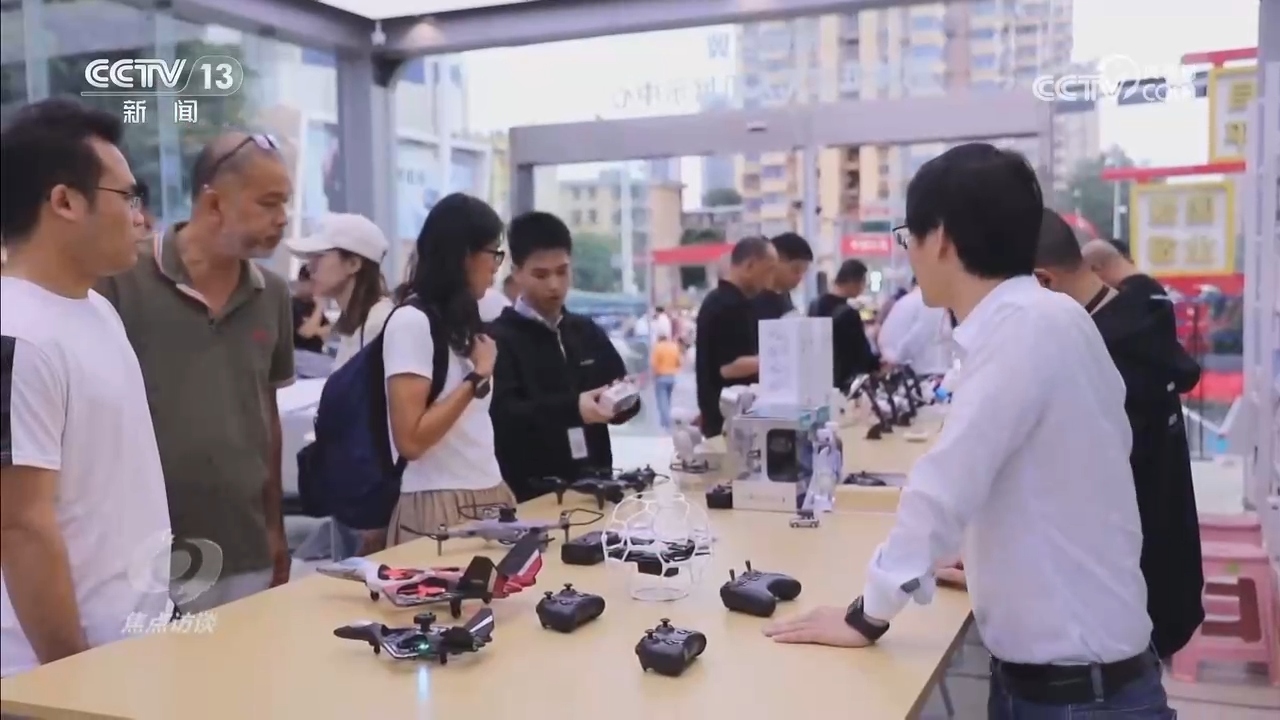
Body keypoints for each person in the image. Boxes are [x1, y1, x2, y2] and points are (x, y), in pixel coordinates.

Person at [763, 143, 1171, 718]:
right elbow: (1061, 477)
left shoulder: (1022, 329)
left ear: (941, 239)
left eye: (908, 238)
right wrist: (982, 553)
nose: (909, 255)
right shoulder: (1054, 317)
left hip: (1077, 698)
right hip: (1079, 680)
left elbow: (940, 488)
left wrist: (867, 614)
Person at [0, 99, 171, 676]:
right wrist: (72, 675)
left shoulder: (97, 309)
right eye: (128, 197)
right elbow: (20, 525)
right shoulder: (15, 333)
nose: (141, 219)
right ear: (65, 201)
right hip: (53, 672)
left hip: (134, 645)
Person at [96, 132, 296, 613]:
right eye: (269, 203)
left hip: (244, 548)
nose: (283, 218)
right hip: (142, 557)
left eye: (285, 203)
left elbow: (266, 417)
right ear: (213, 204)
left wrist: (275, 526)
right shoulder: (120, 281)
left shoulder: (272, 294)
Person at [1036, 209, 1204, 661]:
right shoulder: (1137, 324)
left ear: (1043, 282)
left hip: (1119, 608)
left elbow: (1080, 490)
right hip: (1159, 581)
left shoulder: (1100, 356)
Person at [383, 193, 516, 544]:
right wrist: (476, 378)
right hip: (438, 503)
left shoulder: (462, 321)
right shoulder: (411, 322)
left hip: (490, 491)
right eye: (493, 253)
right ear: (464, 255)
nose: (497, 265)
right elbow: (410, 440)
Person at [488, 211, 640, 501]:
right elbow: (504, 415)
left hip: (597, 489)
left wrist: (621, 404)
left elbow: (623, 387)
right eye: (541, 275)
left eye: (562, 271)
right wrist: (574, 409)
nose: (554, 285)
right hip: (532, 496)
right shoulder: (498, 339)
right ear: (516, 272)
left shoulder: (586, 331)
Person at [286, 212, 393, 370]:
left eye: (319, 256)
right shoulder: (355, 327)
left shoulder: (379, 326)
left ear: (353, 264)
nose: (309, 267)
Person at [695, 236, 776, 438]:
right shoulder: (730, 305)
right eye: (768, 271)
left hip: (723, 417)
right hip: (728, 422)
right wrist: (779, 360)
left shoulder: (719, 300)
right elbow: (729, 368)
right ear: (749, 266)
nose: (770, 281)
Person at [808, 259, 880, 388]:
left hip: (817, 378)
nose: (863, 288)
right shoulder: (849, 314)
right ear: (854, 281)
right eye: (863, 282)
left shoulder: (814, 305)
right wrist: (878, 365)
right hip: (843, 383)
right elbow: (861, 354)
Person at [877, 277, 955, 376]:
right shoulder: (930, 302)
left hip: (913, 369)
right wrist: (900, 357)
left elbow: (885, 337)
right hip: (928, 371)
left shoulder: (904, 302)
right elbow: (919, 334)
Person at [752, 231, 812, 320]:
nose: (799, 277)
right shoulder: (751, 298)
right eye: (796, 269)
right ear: (775, 259)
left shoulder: (785, 299)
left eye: (804, 271)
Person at [291, 266, 331, 354]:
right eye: (313, 283)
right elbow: (305, 333)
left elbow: (328, 330)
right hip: (299, 353)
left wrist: (314, 330)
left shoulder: (313, 305)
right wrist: (320, 306)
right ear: (302, 282)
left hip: (316, 353)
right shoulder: (291, 304)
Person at [650, 333, 683, 430]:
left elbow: (654, 364)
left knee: (662, 401)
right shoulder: (674, 347)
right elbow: (679, 362)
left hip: (660, 377)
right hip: (671, 377)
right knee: (667, 400)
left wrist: (653, 376)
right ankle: (664, 421)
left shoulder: (657, 347)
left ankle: (666, 423)